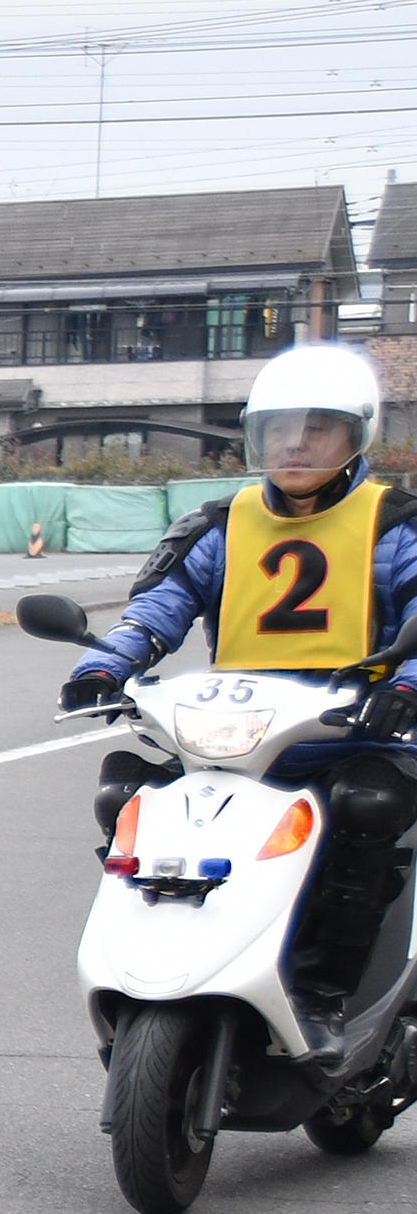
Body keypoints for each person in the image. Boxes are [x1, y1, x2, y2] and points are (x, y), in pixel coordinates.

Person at [62, 344, 417, 1010]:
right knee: (129, 796)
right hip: (240, 733)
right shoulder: (220, 525)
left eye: (318, 429)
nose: (296, 444)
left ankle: (334, 983)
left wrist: (407, 687)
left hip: (359, 731)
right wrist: (103, 666)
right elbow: (158, 609)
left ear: (357, 433)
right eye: (279, 429)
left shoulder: (397, 525)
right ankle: (151, 952)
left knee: (370, 804)